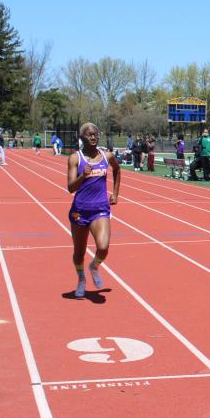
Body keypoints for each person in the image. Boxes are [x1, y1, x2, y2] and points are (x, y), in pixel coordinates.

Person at [66, 123, 121, 299]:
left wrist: (115, 193)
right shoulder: (75, 158)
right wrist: (83, 175)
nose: (93, 137)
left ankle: (94, 266)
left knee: (103, 248)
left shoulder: (107, 156)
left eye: (95, 134)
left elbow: (117, 170)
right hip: (79, 211)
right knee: (79, 253)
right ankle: (81, 279)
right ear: (82, 138)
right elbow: (70, 188)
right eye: (89, 135)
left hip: (100, 209)